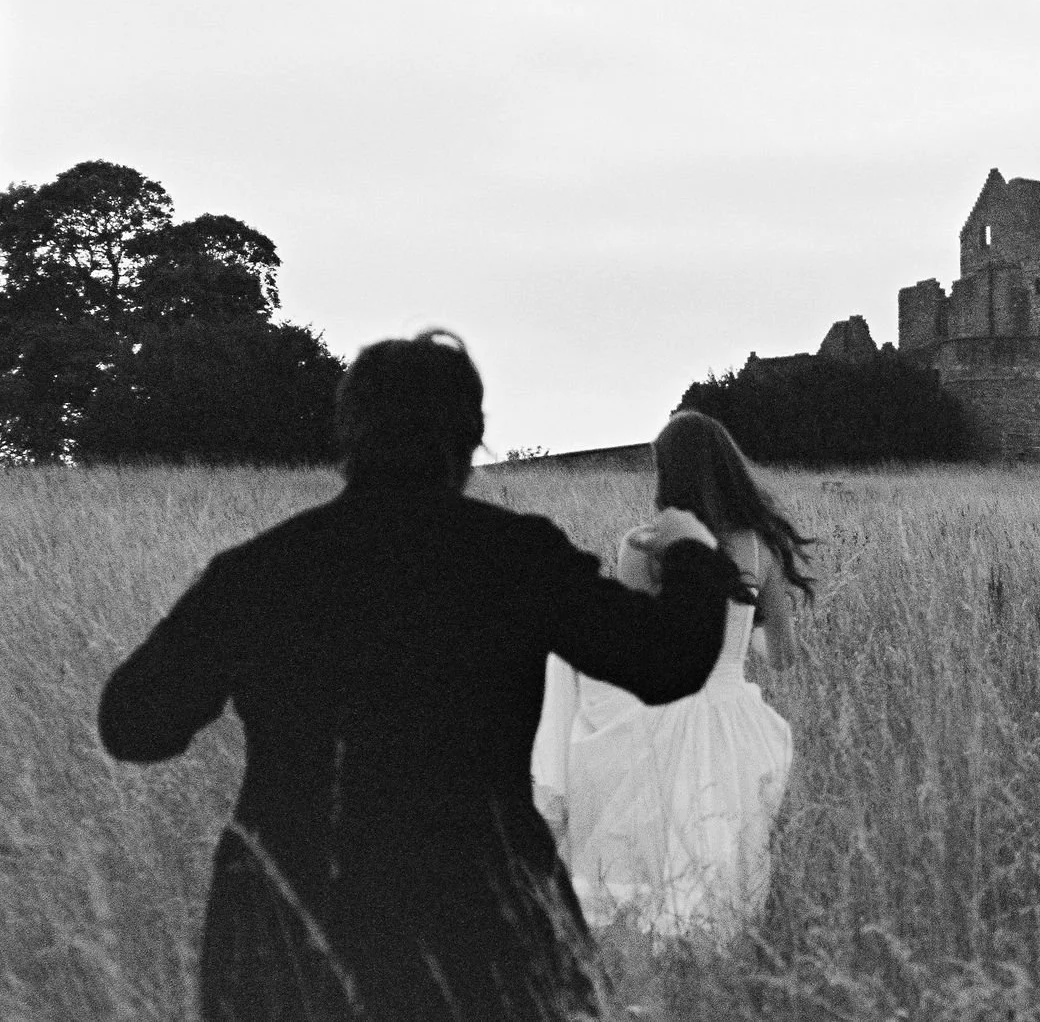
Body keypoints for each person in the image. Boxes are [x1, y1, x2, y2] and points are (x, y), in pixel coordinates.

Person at [98, 331, 743, 1022]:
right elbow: (667, 663)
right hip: (482, 919)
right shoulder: (515, 558)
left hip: (287, 920)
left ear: (347, 434)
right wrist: (694, 556)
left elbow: (133, 726)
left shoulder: (259, 570)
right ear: (469, 438)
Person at [531, 410, 814, 945]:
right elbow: (784, 656)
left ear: (668, 474)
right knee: (722, 857)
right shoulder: (761, 547)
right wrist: (738, 633)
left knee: (646, 867)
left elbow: (635, 649)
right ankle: (712, 975)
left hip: (657, 714)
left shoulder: (644, 545)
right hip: (732, 722)